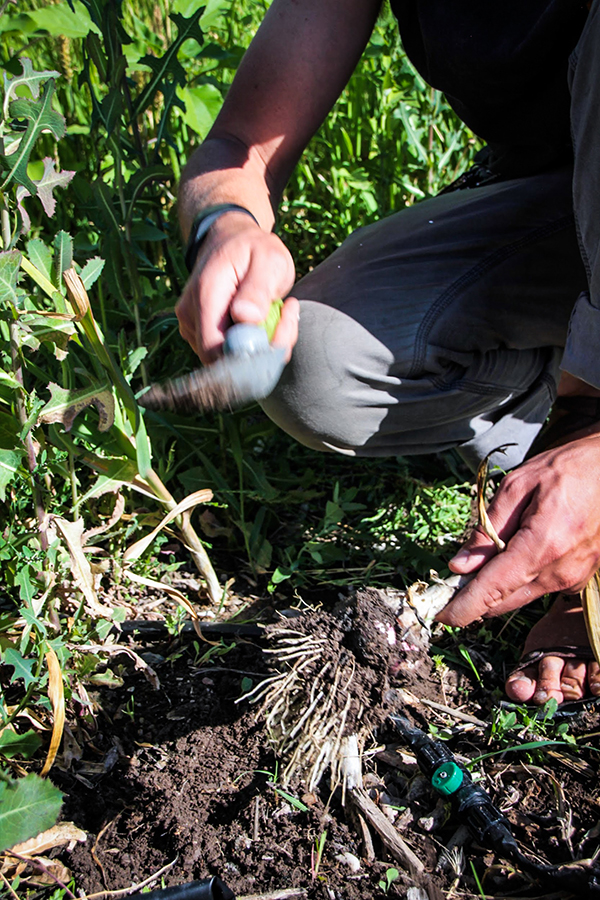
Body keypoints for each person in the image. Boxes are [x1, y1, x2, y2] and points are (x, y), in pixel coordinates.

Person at [176, 0, 600, 706]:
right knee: (319, 367)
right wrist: (227, 225)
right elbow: (239, 145)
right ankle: (560, 415)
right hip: (564, 206)